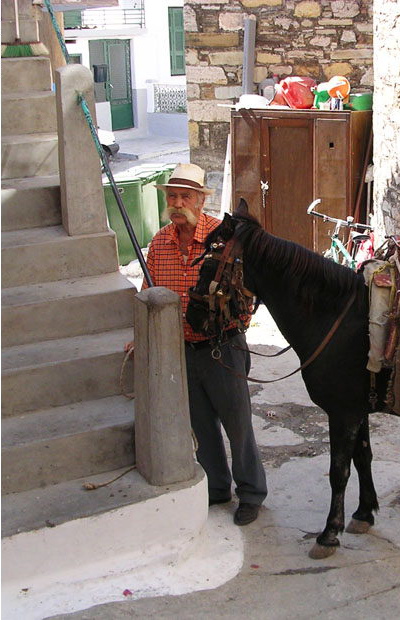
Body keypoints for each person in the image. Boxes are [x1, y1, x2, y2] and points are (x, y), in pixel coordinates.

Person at [125, 163, 267, 525]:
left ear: (200, 200)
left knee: (238, 424)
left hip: (223, 348)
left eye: (185, 196)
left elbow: (247, 294)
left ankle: (250, 493)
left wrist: (236, 329)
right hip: (183, 352)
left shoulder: (223, 239)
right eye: (172, 196)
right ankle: (217, 488)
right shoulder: (159, 243)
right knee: (201, 425)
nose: (177, 203)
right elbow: (149, 294)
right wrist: (140, 337)